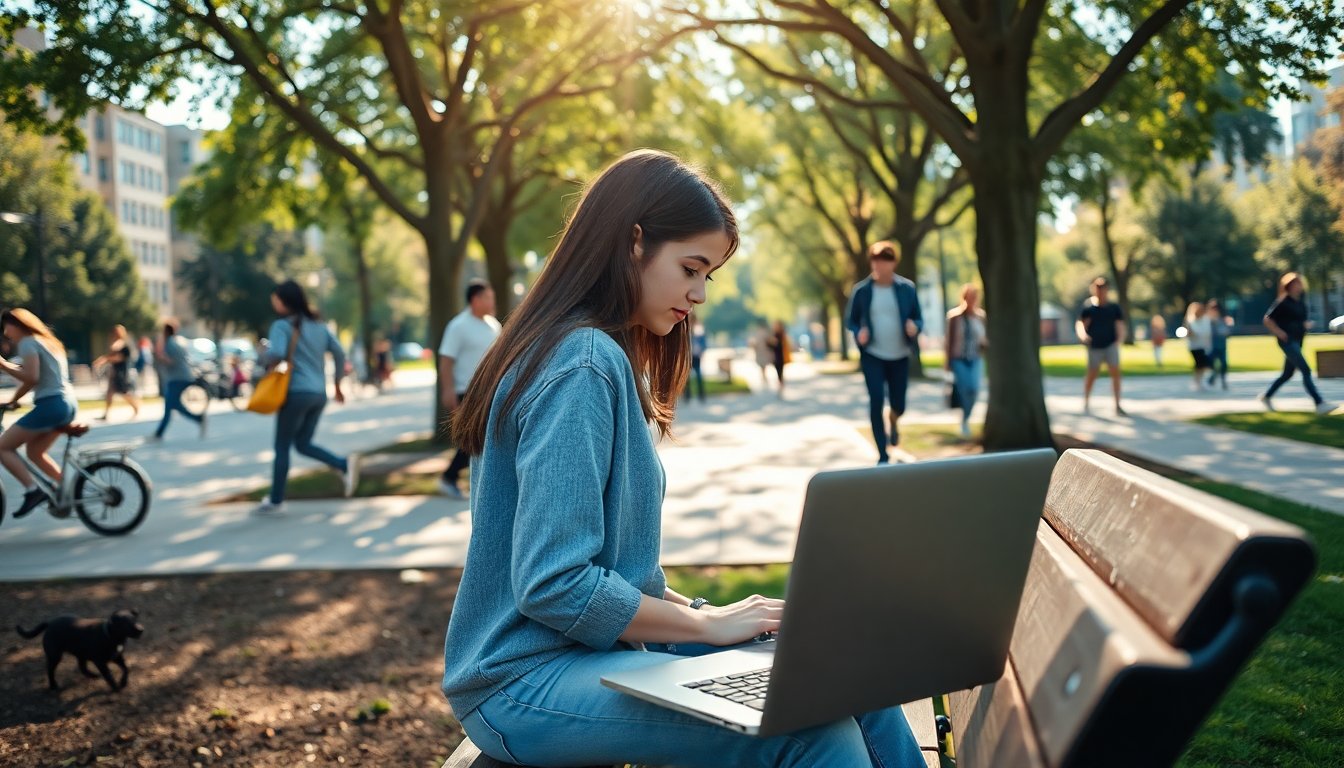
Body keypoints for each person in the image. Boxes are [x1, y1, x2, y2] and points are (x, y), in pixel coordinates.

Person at [441, 150, 923, 768]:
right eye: (690, 268)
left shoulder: (594, 353)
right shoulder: (581, 364)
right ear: (633, 243)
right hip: (523, 680)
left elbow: (610, 576)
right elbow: (555, 587)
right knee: (811, 734)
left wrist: (706, 613)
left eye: (708, 276)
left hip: (588, 655)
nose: (698, 294)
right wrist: (707, 628)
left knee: (837, 671)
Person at [253, 280, 360, 515]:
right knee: (302, 444)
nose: (273, 302)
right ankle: (342, 464)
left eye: (276, 298)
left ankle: (276, 500)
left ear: (284, 301)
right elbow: (339, 352)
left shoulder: (281, 326)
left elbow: (277, 353)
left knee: (282, 446)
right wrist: (337, 384)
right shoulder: (319, 326)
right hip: (318, 394)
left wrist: (262, 354)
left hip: (296, 393)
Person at [845, 240, 923, 464]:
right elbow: (851, 321)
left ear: (893, 263)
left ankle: (894, 420)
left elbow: (919, 318)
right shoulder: (862, 291)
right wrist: (859, 332)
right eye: (875, 261)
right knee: (876, 399)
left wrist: (914, 326)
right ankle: (882, 452)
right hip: (873, 354)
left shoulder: (906, 288)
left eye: (884, 261)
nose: (879, 265)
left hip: (899, 354)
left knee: (899, 403)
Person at [0, 308, 79, 525]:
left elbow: (31, 377)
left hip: (51, 405)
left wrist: (3, 365)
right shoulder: (46, 341)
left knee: (2, 447)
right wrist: (14, 399)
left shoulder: (27, 342)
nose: (6, 333)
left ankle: (32, 491)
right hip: (67, 403)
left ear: (18, 324)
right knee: (34, 452)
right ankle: (65, 490)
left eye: (6, 327)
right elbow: (32, 376)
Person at [437, 278, 502, 500]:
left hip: (490, 390)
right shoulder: (458, 326)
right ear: (475, 300)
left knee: (480, 438)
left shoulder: (494, 325)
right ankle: (449, 477)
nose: (492, 302)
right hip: (466, 390)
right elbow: (446, 360)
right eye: (488, 298)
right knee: (473, 437)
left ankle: (455, 477)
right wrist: (448, 390)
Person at [1260, 272, 1334, 415]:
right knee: (1306, 370)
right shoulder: (1283, 302)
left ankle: (1267, 396)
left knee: (1287, 374)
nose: (1298, 286)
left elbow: (1299, 321)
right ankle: (1319, 403)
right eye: (1295, 284)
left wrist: (1305, 325)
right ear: (1288, 286)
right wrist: (1280, 333)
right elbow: (1267, 319)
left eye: (1299, 283)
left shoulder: (1300, 303)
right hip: (1287, 342)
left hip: (1298, 340)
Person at [1076, 277, 1126, 416]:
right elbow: (1081, 324)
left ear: (1107, 289)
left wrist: (1119, 339)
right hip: (1094, 346)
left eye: (1103, 288)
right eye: (1098, 288)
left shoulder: (1113, 307)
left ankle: (1117, 405)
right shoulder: (1089, 307)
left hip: (1110, 344)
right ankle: (1086, 401)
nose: (1100, 291)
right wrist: (1083, 335)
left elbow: (1119, 324)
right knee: (1092, 374)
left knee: (1115, 373)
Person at [150, 319, 206, 441]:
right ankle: (198, 419)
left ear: (165, 331)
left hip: (177, 378)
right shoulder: (176, 341)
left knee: (170, 405)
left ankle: (159, 434)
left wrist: (160, 358)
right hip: (182, 377)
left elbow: (172, 361)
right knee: (172, 405)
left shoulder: (169, 344)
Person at [944, 283, 987, 438]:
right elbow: (949, 341)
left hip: (975, 357)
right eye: (969, 297)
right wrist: (947, 362)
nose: (972, 300)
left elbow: (983, 338)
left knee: (974, 389)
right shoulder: (954, 317)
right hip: (959, 358)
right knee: (964, 390)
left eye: (974, 297)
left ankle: (965, 419)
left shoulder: (981, 317)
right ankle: (964, 420)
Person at [92, 324, 142, 420]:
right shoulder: (116, 344)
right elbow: (111, 356)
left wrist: (105, 360)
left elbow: (119, 358)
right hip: (115, 371)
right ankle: (106, 414)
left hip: (122, 372)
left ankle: (136, 407)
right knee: (109, 393)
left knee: (124, 392)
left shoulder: (124, 345)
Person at [1183, 301, 1213, 392]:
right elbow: (1189, 334)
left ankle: (1199, 381)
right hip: (1195, 346)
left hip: (1204, 346)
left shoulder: (1206, 319)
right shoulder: (1190, 321)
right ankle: (1197, 382)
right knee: (1199, 365)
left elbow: (1207, 332)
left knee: (1203, 365)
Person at [1205, 299, 1231, 390]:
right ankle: (1212, 378)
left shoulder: (1223, 319)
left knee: (1224, 364)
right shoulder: (1207, 320)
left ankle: (1223, 381)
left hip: (1222, 345)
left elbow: (1226, 332)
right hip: (1211, 346)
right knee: (1211, 364)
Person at [766, 319, 791, 400]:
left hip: (780, 357)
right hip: (775, 357)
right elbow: (770, 346)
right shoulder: (775, 334)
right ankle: (780, 388)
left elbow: (779, 346)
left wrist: (773, 343)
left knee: (780, 374)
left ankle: (780, 389)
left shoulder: (781, 335)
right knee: (779, 374)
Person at [685, 321, 707, 403]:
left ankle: (701, 394)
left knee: (698, 376)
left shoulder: (699, 336)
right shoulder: (687, 336)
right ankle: (688, 395)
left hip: (696, 358)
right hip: (689, 358)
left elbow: (704, 346)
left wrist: (701, 352)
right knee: (687, 378)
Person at [752, 320, 774, 390]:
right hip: (763, 351)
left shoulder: (757, 333)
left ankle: (764, 377)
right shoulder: (765, 333)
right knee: (763, 365)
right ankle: (764, 377)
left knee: (762, 365)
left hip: (762, 351)